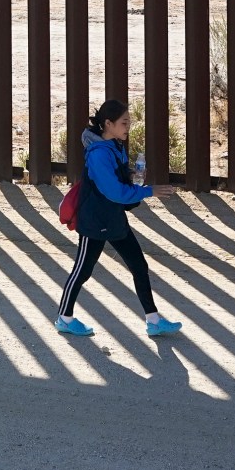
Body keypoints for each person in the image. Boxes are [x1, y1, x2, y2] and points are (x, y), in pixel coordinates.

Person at [55, 100, 182, 338]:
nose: (128, 127)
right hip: (95, 221)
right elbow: (113, 192)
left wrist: (131, 175)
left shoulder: (114, 145)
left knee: (138, 266)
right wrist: (148, 191)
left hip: (112, 218)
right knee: (82, 271)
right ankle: (64, 318)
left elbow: (117, 184)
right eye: (124, 123)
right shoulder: (99, 154)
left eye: (129, 122)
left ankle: (153, 321)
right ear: (108, 124)